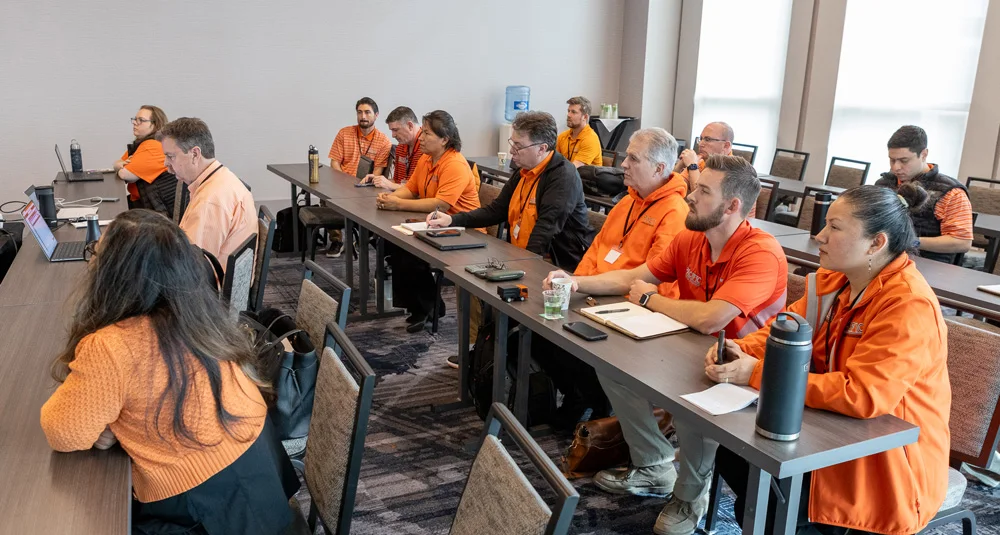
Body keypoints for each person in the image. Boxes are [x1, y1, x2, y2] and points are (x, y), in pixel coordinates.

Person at [660, 186, 951, 535]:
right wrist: (743, 349)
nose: (820, 236)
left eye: (835, 228)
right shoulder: (835, 282)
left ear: (876, 244)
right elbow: (784, 331)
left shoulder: (907, 304)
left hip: (883, 466)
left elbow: (863, 394)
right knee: (736, 454)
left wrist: (756, 374)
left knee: (765, 496)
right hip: (827, 430)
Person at [544, 155, 787, 514]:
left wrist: (651, 298)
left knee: (692, 406)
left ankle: (689, 500)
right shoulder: (692, 237)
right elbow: (633, 277)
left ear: (732, 206)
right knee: (613, 364)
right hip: (687, 347)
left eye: (703, 191)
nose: (690, 195)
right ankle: (655, 463)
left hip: (738, 369)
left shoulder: (761, 252)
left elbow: (711, 319)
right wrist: (576, 282)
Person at [40, 210, 299, 534]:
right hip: (260, 464)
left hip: (205, 505)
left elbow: (62, 431)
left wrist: (108, 423)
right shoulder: (200, 313)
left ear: (116, 276)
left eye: (96, 255)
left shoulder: (110, 346)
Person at [535, 127, 691, 427]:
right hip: (597, 295)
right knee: (542, 333)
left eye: (633, 158)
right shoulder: (626, 202)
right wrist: (575, 287)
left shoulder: (675, 214)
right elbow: (595, 251)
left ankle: (603, 408)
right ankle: (583, 396)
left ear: (659, 168)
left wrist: (582, 287)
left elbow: (648, 280)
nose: (623, 165)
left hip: (635, 308)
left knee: (569, 342)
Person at [427, 110, 594, 270]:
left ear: (542, 148)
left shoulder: (563, 176)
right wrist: (452, 220)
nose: (511, 151)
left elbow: (545, 231)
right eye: (512, 143)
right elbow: (496, 210)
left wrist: (518, 267)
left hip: (555, 264)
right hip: (519, 254)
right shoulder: (524, 169)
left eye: (518, 145)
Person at [376, 110, 481, 333]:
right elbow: (411, 189)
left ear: (445, 139)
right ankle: (420, 306)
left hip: (463, 230)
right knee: (394, 241)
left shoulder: (455, 164)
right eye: (422, 133)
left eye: (427, 134)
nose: (421, 138)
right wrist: (391, 198)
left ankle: (429, 308)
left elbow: (441, 204)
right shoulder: (426, 158)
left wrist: (398, 205)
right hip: (436, 224)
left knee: (409, 250)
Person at [157, 117, 257, 267]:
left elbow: (191, 265)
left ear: (195, 154)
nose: (166, 163)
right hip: (212, 276)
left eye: (171, 156)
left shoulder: (211, 199)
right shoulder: (219, 178)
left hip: (208, 285)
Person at [874, 125, 972, 264]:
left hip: (927, 265)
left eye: (904, 160)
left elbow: (962, 242)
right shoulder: (883, 184)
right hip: (883, 261)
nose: (896, 167)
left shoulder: (951, 193)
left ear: (924, 154)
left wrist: (912, 242)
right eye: (892, 160)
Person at [326, 97, 393, 256]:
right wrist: (343, 181)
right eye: (359, 112)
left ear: (376, 115)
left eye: (367, 112)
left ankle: (363, 237)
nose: (363, 116)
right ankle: (337, 240)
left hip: (365, 187)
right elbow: (335, 162)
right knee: (326, 197)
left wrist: (360, 185)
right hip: (341, 184)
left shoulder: (383, 141)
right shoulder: (344, 133)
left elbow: (378, 171)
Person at [113, 105, 180, 217]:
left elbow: (125, 174)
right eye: (135, 119)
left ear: (155, 125)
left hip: (158, 210)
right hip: (145, 202)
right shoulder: (141, 144)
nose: (135, 123)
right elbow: (118, 163)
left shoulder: (153, 146)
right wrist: (119, 165)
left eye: (141, 120)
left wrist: (119, 167)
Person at [363, 106, 424, 191]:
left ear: (410, 126)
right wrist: (377, 180)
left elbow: (420, 190)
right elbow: (397, 181)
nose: (393, 135)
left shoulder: (427, 148)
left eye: (396, 130)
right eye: (391, 130)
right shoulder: (401, 147)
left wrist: (390, 185)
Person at [674, 121, 734, 191]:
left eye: (707, 139)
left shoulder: (734, 172)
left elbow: (700, 196)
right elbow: (674, 186)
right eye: (701, 139)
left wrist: (692, 166)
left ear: (726, 146)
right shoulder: (701, 162)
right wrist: (679, 166)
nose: (700, 144)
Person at [555, 96, 603, 167]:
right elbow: (553, 162)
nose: (568, 115)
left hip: (584, 177)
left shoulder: (590, 139)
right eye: (568, 111)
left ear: (585, 117)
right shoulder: (562, 136)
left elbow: (574, 168)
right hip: (567, 176)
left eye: (573, 112)